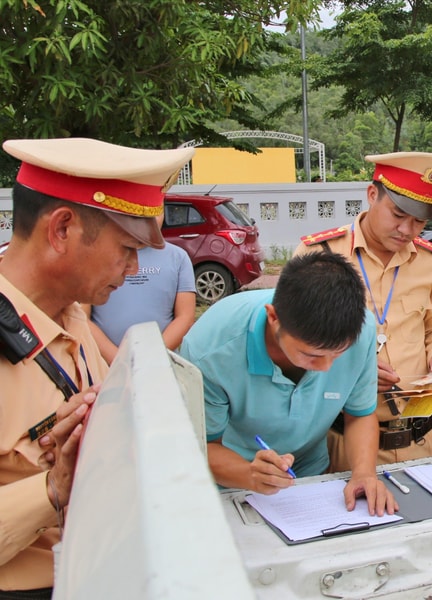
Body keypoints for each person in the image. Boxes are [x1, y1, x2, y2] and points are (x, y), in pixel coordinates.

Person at [0, 137, 194, 597]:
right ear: (62, 229)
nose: (132, 268)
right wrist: (53, 488)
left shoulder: (72, 317)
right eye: (127, 247)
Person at [178, 252, 397, 515]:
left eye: (337, 354)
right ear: (273, 318)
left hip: (309, 474)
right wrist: (250, 475)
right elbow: (204, 445)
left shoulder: (361, 331)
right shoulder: (211, 349)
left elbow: (359, 414)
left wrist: (363, 473)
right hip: (232, 481)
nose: (327, 368)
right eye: (311, 355)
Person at [295, 152, 432, 469]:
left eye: (420, 221)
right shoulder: (319, 255)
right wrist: (352, 369)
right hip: (345, 444)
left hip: (423, 440)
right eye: (398, 214)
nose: (407, 229)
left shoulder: (429, 261)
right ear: (372, 195)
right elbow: (293, 342)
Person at [85, 213, 196, 364]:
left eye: (155, 210)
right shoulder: (95, 255)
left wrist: (151, 358)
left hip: (160, 365)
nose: (148, 217)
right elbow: (81, 317)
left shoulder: (178, 257)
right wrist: (118, 361)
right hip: (103, 366)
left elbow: (185, 317)